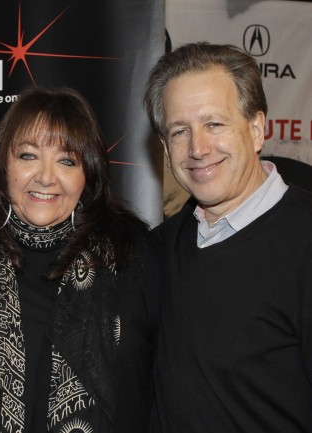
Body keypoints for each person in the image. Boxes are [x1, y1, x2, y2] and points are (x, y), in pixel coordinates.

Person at [0, 87, 160, 433]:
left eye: (66, 160)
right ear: (4, 165)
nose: (46, 177)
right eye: (28, 156)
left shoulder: (131, 255)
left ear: (87, 174)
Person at [143, 42, 312, 432]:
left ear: (256, 129)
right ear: (166, 150)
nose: (198, 148)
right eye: (180, 131)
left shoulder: (305, 243)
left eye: (214, 124)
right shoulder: (159, 250)